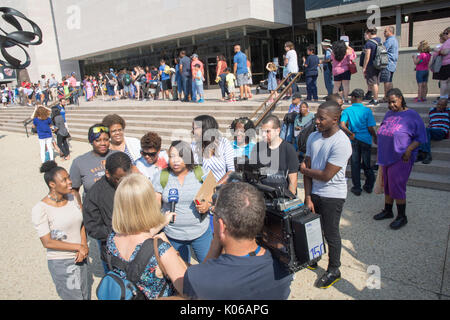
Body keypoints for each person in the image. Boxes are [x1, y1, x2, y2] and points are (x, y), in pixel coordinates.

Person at [182, 182, 293, 300]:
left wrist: (216, 242)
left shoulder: (199, 279)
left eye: (213, 213)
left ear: (222, 226)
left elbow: (200, 278)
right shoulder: (285, 266)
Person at [106, 173, 187, 299]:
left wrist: (161, 223)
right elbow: (188, 291)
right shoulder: (161, 250)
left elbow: (138, 239)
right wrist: (173, 251)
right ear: (149, 204)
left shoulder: (112, 239)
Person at [300, 100, 352, 289]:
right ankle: (314, 256)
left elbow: (325, 175)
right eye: (316, 117)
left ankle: (334, 269)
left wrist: (304, 171)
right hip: (314, 192)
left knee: (331, 233)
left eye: (322, 118)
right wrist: (307, 196)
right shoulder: (313, 137)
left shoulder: (342, 142)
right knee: (314, 228)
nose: (317, 122)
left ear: (335, 119)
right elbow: (308, 165)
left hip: (333, 195)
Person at [31, 161, 90, 300]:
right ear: (52, 184)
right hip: (62, 261)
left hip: (81, 256)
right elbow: (47, 242)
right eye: (64, 180)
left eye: (69, 177)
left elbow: (81, 223)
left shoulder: (72, 197)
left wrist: (84, 245)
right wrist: (78, 247)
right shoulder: (40, 209)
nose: (70, 182)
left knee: (85, 295)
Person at [374, 88, 427, 230]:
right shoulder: (389, 113)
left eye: (393, 102)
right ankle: (388, 210)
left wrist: (409, 150)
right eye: (389, 102)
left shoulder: (412, 115)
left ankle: (402, 216)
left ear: (401, 99)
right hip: (386, 155)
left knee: (397, 186)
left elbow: (420, 137)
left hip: (401, 156)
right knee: (387, 185)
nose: (391, 105)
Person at [153, 140, 212, 265]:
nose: (175, 160)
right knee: (181, 271)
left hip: (201, 232)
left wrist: (207, 205)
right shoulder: (161, 176)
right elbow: (155, 205)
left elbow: (212, 193)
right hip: (173, 235)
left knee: (209, 268)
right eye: (171, 156)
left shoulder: (201, 172)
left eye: (180, 156)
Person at [83, 152, 132, 274]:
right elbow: (92, 228)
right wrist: (117, 231)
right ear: (107, 173)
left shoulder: (132, 185)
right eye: (118, 179)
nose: (122, 182)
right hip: (114, 255)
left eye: (126, 178)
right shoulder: (95, 194)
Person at [340, 89, 377, 196]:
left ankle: (357, 188)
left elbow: (342, 125)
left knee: (355, 164)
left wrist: (350, 133)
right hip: (366, 139)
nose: (351, 99)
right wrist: (374, 136)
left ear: (355, 97)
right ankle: (369, 186)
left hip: (354, 139)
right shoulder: (367, 111)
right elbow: (370, 127)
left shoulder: (347, 110)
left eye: (352, 97)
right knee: (366, 164)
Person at [250, 115, 299, 196]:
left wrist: (288, 201)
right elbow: (253, 175)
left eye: (267, 131)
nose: (264, 135)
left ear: (277, 131)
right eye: (262, 131)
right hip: (262, 198)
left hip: (282, 197)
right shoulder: (257, 147)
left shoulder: (289, 149)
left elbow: (293, 182)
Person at [69, 124, 117, 204]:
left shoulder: (118, 156)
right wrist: (80, 208)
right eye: (98, 140)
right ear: (91, 141)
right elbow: (74, 190)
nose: (103, 143)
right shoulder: (79, 162)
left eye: (106, 139)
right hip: (93, 210)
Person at [191, 115, 235, 184]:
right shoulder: (193, 146)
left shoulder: (223, 143)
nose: (193, 131)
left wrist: (215, 188)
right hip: (198, 189)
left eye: (196, 128)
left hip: (220, 189)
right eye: (193, 128)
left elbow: (231, 170)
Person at [418, 98, 450, 164]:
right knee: (422, 131)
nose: (439, 106)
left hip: (441, 132)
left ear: (445, 106)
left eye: (442, 105)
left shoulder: (448, 112)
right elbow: (431, 122)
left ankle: (427, 154)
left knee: (425, 131)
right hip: (432, 130)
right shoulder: (432, 111)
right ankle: (422, 154)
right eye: (438, 104)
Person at [362, 28, 382, 106]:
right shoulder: (380, 41)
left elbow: (367, 56)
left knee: (373, 83)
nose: (365, 36)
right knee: (376, 82)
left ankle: (375, 99)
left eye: (365, 34)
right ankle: (375, 98)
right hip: (379, 64)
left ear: (369, 33)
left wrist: (364, 67)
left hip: (371, 65)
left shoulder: (369, 43)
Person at [381, 26, 399, 102]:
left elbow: (383, 50)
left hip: (387, 63)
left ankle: (386, 97)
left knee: (387, 81)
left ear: (390, 32)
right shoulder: (394, 40)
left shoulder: (390, 40)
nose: (384, 33)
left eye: (385, 31)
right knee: (389, 81)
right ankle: (390, 96)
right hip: (392, 64)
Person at [432, 27, 450, 101]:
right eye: (444, 33)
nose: (444, 35)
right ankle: (447, 97)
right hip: (447, 64)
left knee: (444, 82)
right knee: (448, 81)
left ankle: (443, 97)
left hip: (446, 64)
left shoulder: (448, 42)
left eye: (446, 33)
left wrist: (437, 50)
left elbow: (445, 52)